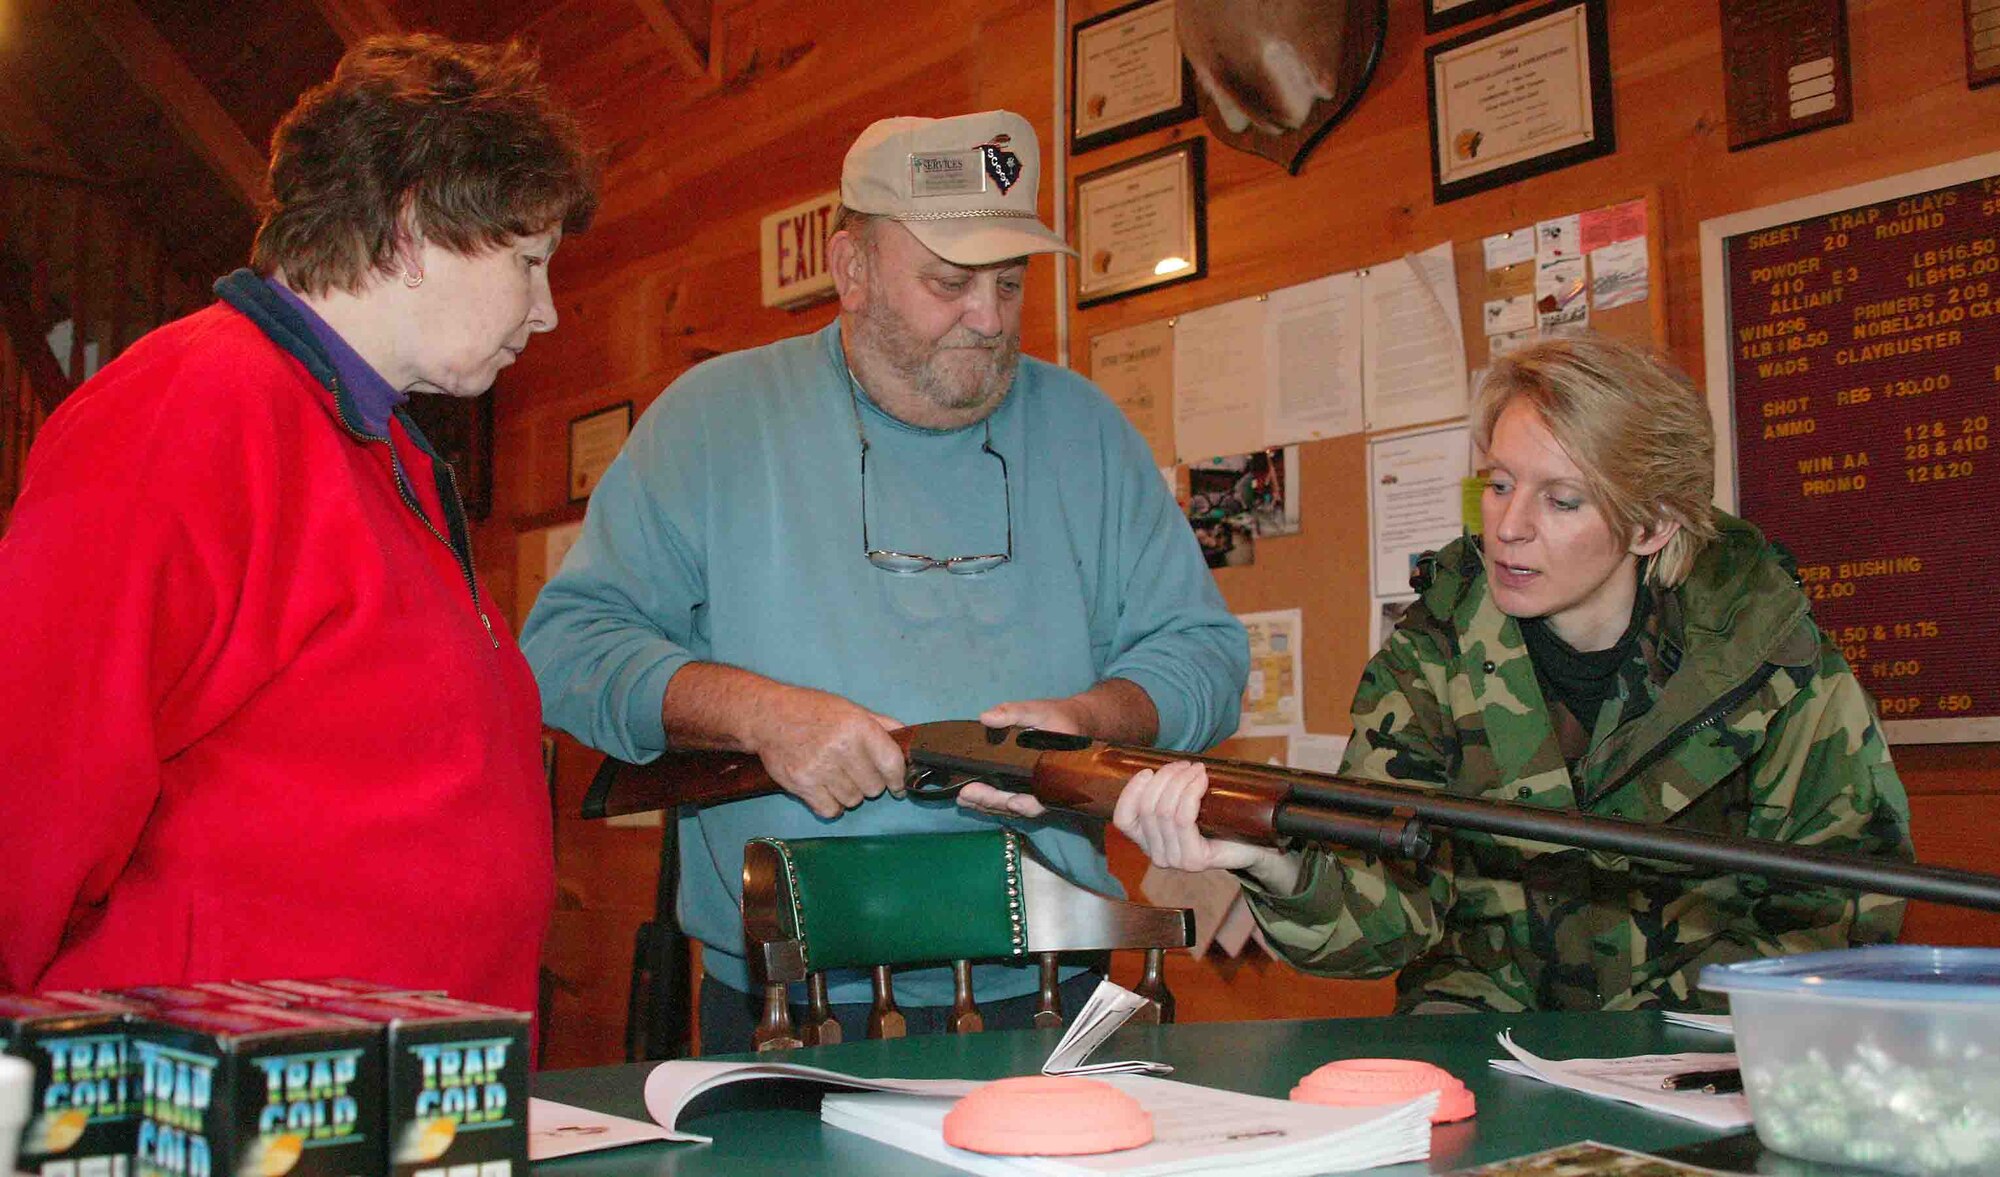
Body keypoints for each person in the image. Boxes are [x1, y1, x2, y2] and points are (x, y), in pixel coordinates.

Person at [522, 110, 1247, 1052]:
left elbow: (1205, 657)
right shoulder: (712, 420)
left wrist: (1088, 723)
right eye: (949, 282)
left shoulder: (1090, 431)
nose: (988, 317)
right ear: (851, 267)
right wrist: (759, 714)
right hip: (787, 1002)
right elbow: (567, 648)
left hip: (1051, 992)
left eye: (1010, 281)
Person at [0, 35, 598, 1014]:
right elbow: (35, 779)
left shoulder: (374, 442)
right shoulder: (191, 407)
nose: (547, 312)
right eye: (528, 261)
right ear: (409, 232)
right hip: (223, 1095)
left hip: (389, 1092)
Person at [1102, 334, 1913, 1013]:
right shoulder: (1434, 656)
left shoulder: (1767, 662)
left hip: (1699, 1064)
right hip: (1480, 1058)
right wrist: (1269, 862)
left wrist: (1689, 1037)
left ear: (1653, 525)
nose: (1509, 527)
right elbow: (1383, 920)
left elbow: (1844, 913)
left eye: (1563, 501)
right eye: (1496, 484)